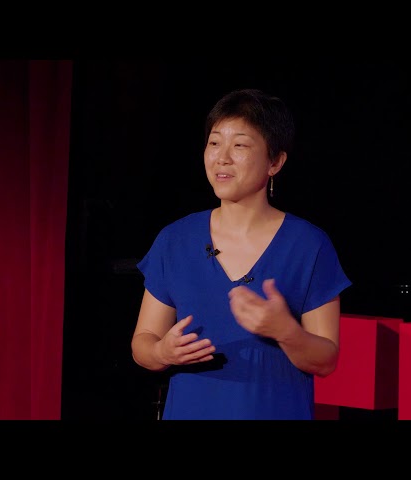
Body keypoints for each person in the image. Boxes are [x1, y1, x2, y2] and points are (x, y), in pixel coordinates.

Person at [130, 88, 352, 420]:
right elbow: (142, 343)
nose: (222, 157)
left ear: (275, 162)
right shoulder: (175, 240)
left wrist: (286, 332)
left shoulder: (309, 245)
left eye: (240, 146)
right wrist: (162, 352)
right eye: (214, 143)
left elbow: (326, 360)